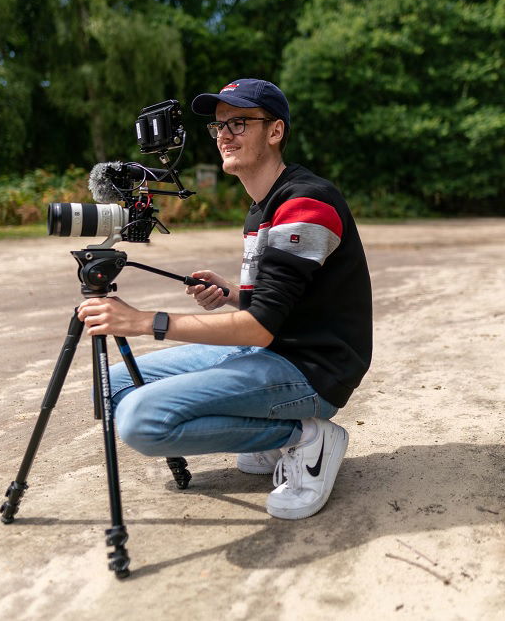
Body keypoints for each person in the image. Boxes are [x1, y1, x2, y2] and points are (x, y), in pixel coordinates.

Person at [77, 78, 372, 520]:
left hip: (314, 367)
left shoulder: (306, 202)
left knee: (141, 420)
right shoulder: (263, 204)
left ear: (275, 131)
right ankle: (275, 437)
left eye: (239, 122)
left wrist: (143, 321)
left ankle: (305, 436)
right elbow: (279, 303)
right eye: (218, 127)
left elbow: (259, 326)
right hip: (271, 349)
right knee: (113, 384)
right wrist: (235, 294)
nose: (225, 136)